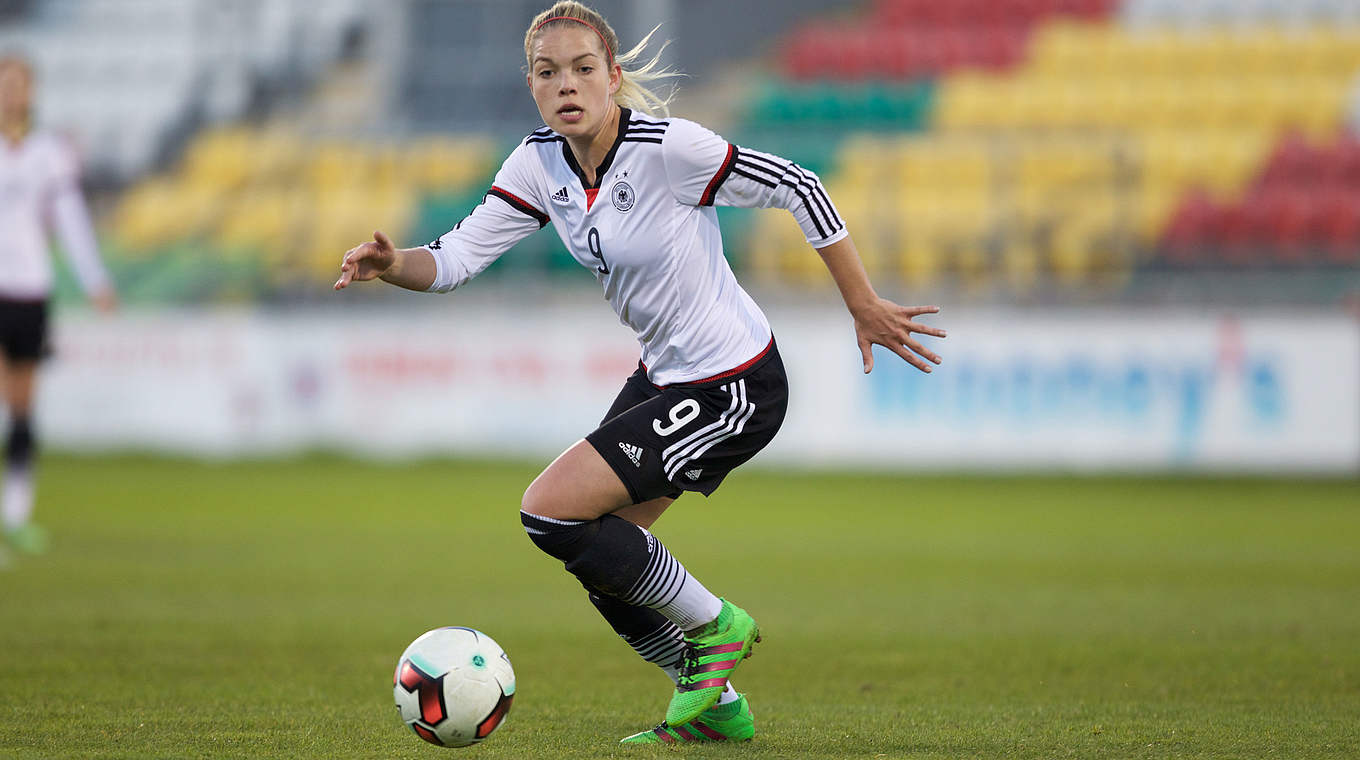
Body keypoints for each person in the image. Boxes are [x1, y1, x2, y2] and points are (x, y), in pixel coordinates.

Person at [334, 1, 945, 744]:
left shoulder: (668, 149)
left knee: (548, 509)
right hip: (666, 378)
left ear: (613, 77)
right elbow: (457, 257)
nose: (568, 85)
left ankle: (717, 627)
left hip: (736, 383)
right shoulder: (537, 163)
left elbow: (802, 185)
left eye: (584, 69)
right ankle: (716, 711)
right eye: (549, 72)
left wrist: (863, 304)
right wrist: (395, 264)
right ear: (532, 85)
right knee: (597, 554)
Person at [0, 54, 117, 558]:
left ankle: (16, 515)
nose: (11, 93)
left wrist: (94, 278)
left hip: (31, 289)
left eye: (18, 85)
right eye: (4, 84)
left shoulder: (49, 153)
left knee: (22, 407)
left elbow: (70, 222)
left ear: (31, 93)